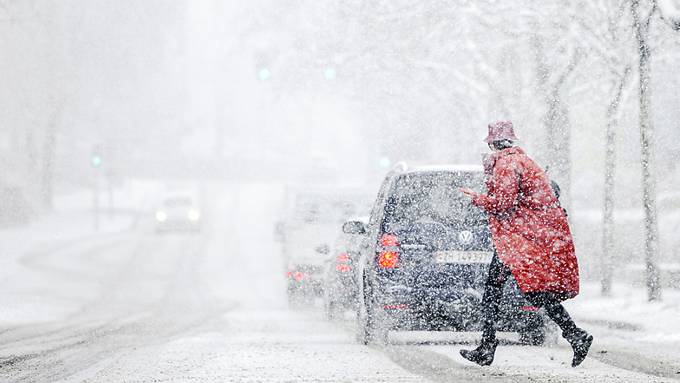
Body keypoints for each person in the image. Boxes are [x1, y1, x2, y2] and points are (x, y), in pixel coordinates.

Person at [459, 121, 593, 367]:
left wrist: (477, 199)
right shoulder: (521, 161)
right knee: (524, 292)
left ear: (492, 143)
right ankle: (574, 335)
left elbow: (504, 203)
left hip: (519, 240)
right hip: (524, 238)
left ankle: (490, 346)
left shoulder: (507, 165)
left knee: (506, 292)